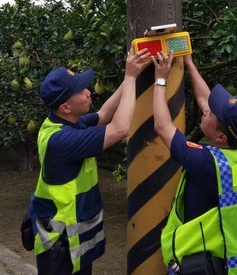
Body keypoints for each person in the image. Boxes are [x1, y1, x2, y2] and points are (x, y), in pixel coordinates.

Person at [29, 48, 150, 275]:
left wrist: (128, 76)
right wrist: (132, 78)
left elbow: (104, 114)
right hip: (60, 246)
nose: (88, 93)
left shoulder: (67, 122)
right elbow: (120, 128)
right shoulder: (61, 140)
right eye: (81, 91)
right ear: (65, 107)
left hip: (72, 240)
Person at [151, 51, 237, 275]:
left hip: (211, 266)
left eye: (211, 114)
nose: (206, 110)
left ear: (220, 137)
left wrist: (160, 78)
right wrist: (190, 63)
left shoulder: (206, 162)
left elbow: (162, 126)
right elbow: (206, 101)